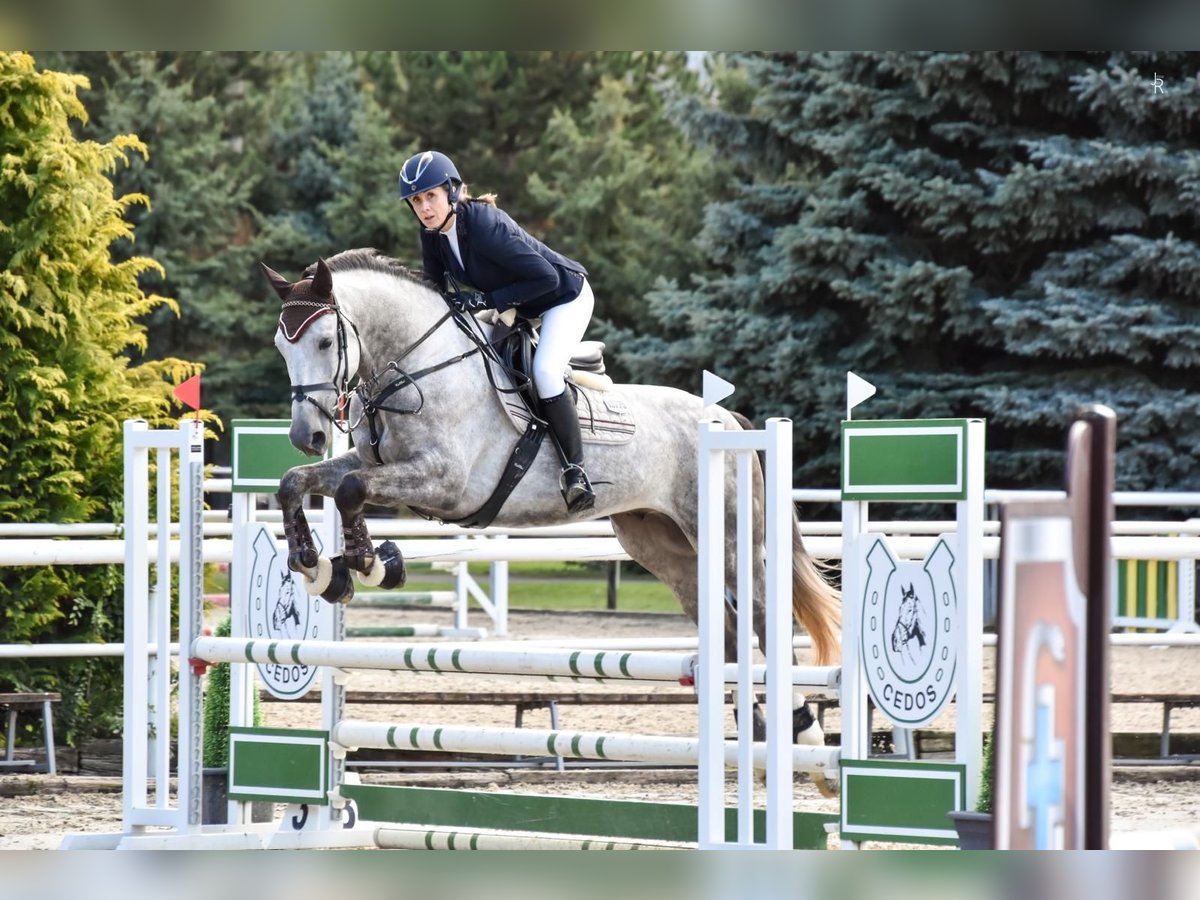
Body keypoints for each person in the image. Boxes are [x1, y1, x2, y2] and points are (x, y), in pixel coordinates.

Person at [398, 149, 596, 513]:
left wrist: (484, 300)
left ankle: (575, 472)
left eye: (430, 196)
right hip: (521, 307)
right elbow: (434, 291)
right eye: (416, 200)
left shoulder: (485, 224)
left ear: (452, 192)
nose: (424, 207)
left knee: (545, 373)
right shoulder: (433, 236)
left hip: (564, 297)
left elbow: (546, 277)